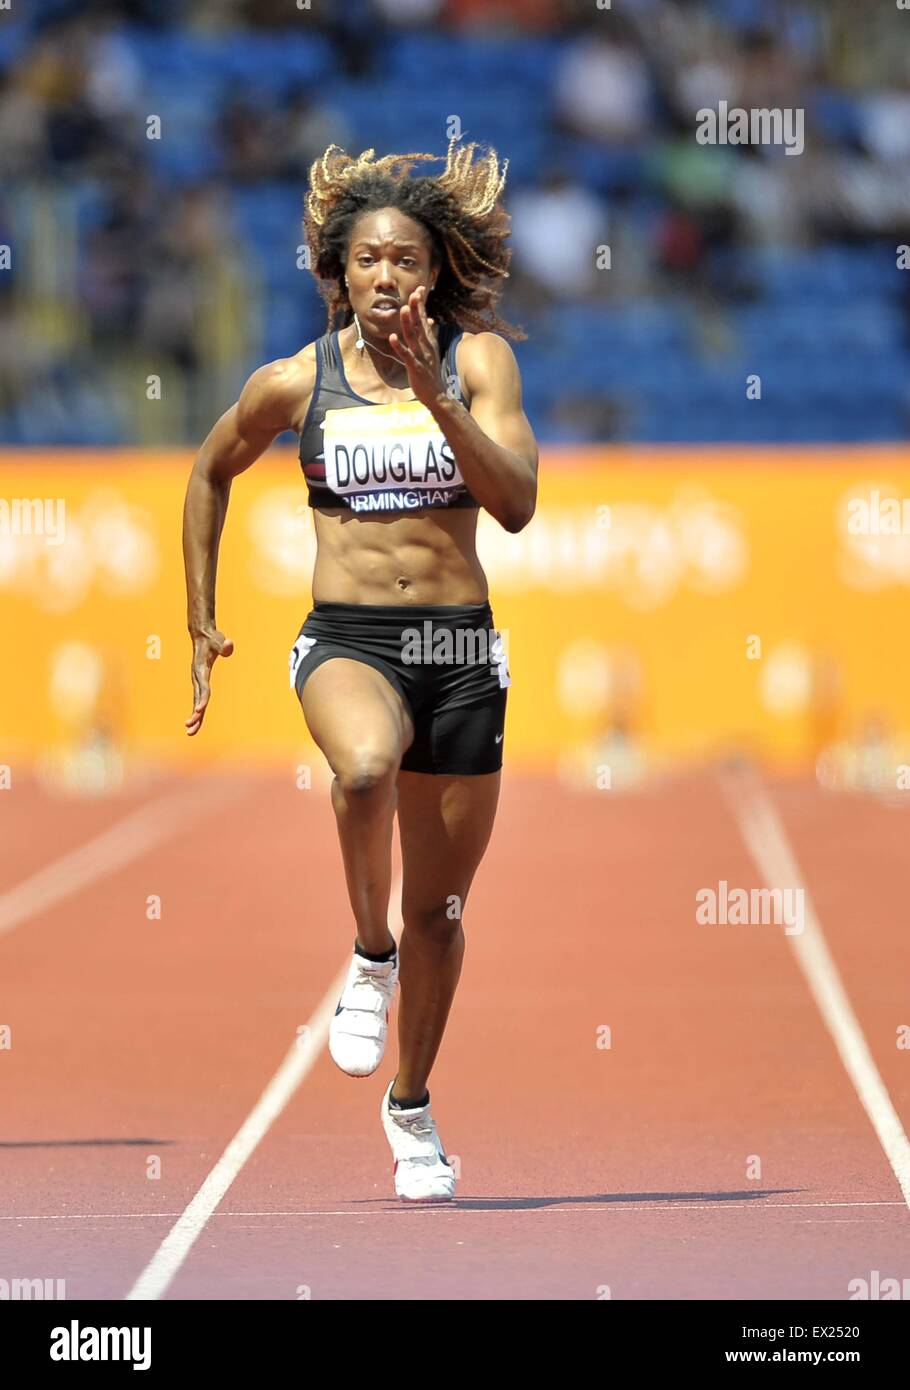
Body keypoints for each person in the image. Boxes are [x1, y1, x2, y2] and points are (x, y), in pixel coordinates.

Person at [182, 139, 538, 1202]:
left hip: (460, 650)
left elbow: (515, 504)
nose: (389, 276)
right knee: (363, 768)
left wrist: (439, 400)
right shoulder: (298, 380)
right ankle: (365, 952)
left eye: (409, 260)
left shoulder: (478, 365)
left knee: (446, 915)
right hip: (348, 640)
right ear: (337, 275)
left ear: (436, 275)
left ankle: (411, 1104)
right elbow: (207, 472)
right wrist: (198, 619)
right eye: (369, 259)